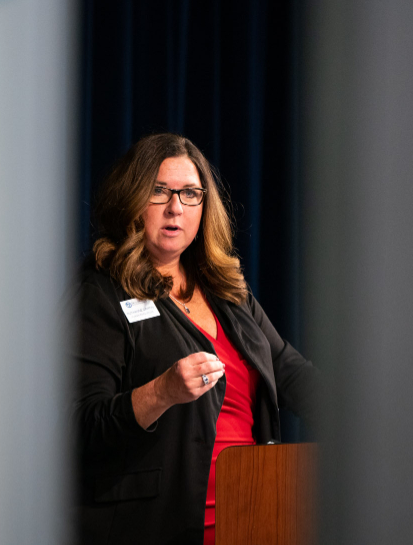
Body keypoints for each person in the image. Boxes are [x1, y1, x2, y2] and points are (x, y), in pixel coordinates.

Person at [72, 133, 319, 545]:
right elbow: (80, 427)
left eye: (190, 193)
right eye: (159, 191)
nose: (175, 208)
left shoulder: (226, 292)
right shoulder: (101, 293)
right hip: (157, 525)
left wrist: (365, 423)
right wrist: (161, 392)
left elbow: (290, 372)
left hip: (253, 516)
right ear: (132, 199)